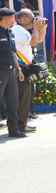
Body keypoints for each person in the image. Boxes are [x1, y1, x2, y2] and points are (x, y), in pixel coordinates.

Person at [12, 9, 47, 133]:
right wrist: (36, 27)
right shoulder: (18, 30)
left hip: (24, 67)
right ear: (24, 19)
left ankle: (21, 123)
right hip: (21, 68)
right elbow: (33, 42)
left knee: (25, 97)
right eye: (33, 19)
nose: (35, 21)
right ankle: (21, 125)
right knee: (23, 98)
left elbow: (39, 40)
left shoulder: (22, 30)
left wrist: (43, 27)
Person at [0, 7, 26, 137]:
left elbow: (13, 52)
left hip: (11, 71)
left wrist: (18, 69)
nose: (14, 20)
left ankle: (13, 129)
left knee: (13, 101)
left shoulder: (10, 32)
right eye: (11, 17)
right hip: (1, 71)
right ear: (4, 18)